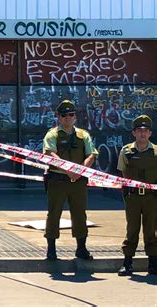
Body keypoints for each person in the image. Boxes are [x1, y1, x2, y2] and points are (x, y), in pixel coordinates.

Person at [42, 100, 98, 261]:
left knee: (80, 214)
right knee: (54, 214)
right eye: (64, 115)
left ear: (75, 117)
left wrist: (79, 171)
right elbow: (50, 154)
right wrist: (68, 171)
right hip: (58, 180)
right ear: (58, 117)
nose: (68, 117)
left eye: (71, 114)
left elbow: (91, 154)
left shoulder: (83, 135)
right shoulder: (53, 134)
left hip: (78, 182)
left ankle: (81, 248)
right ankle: (51, 250)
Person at [116, 115, 157, 276]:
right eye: (139, 131)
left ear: (150, 133)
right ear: (134, 133)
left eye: (145, 131)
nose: (142, 134)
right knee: (132, 229)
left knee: (151, 229)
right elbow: (121, 173)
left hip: (152, 198)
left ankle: (153, 263)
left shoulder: (155, 152)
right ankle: (127, 262)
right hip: (132, 197)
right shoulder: (126, 151)